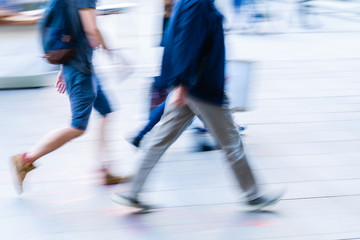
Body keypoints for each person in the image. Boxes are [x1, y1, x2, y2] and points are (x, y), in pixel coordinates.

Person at [112, 0, 283, 211]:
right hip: (200, 86)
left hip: (192, 84)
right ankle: (253, 195)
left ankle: (132, 192)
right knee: (231, 140)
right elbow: (186, 40)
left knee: (159, 140)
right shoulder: (197, 2)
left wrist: (181, 83)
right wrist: (183, 82)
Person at [10, 0, 129, 193]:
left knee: (107, 111)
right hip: (81, 70)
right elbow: (91, 30)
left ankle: (105, 169)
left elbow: (67, 27)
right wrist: (115, 55)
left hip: (79, 66)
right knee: (77, 126)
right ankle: (25, 159)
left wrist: (63, 66)